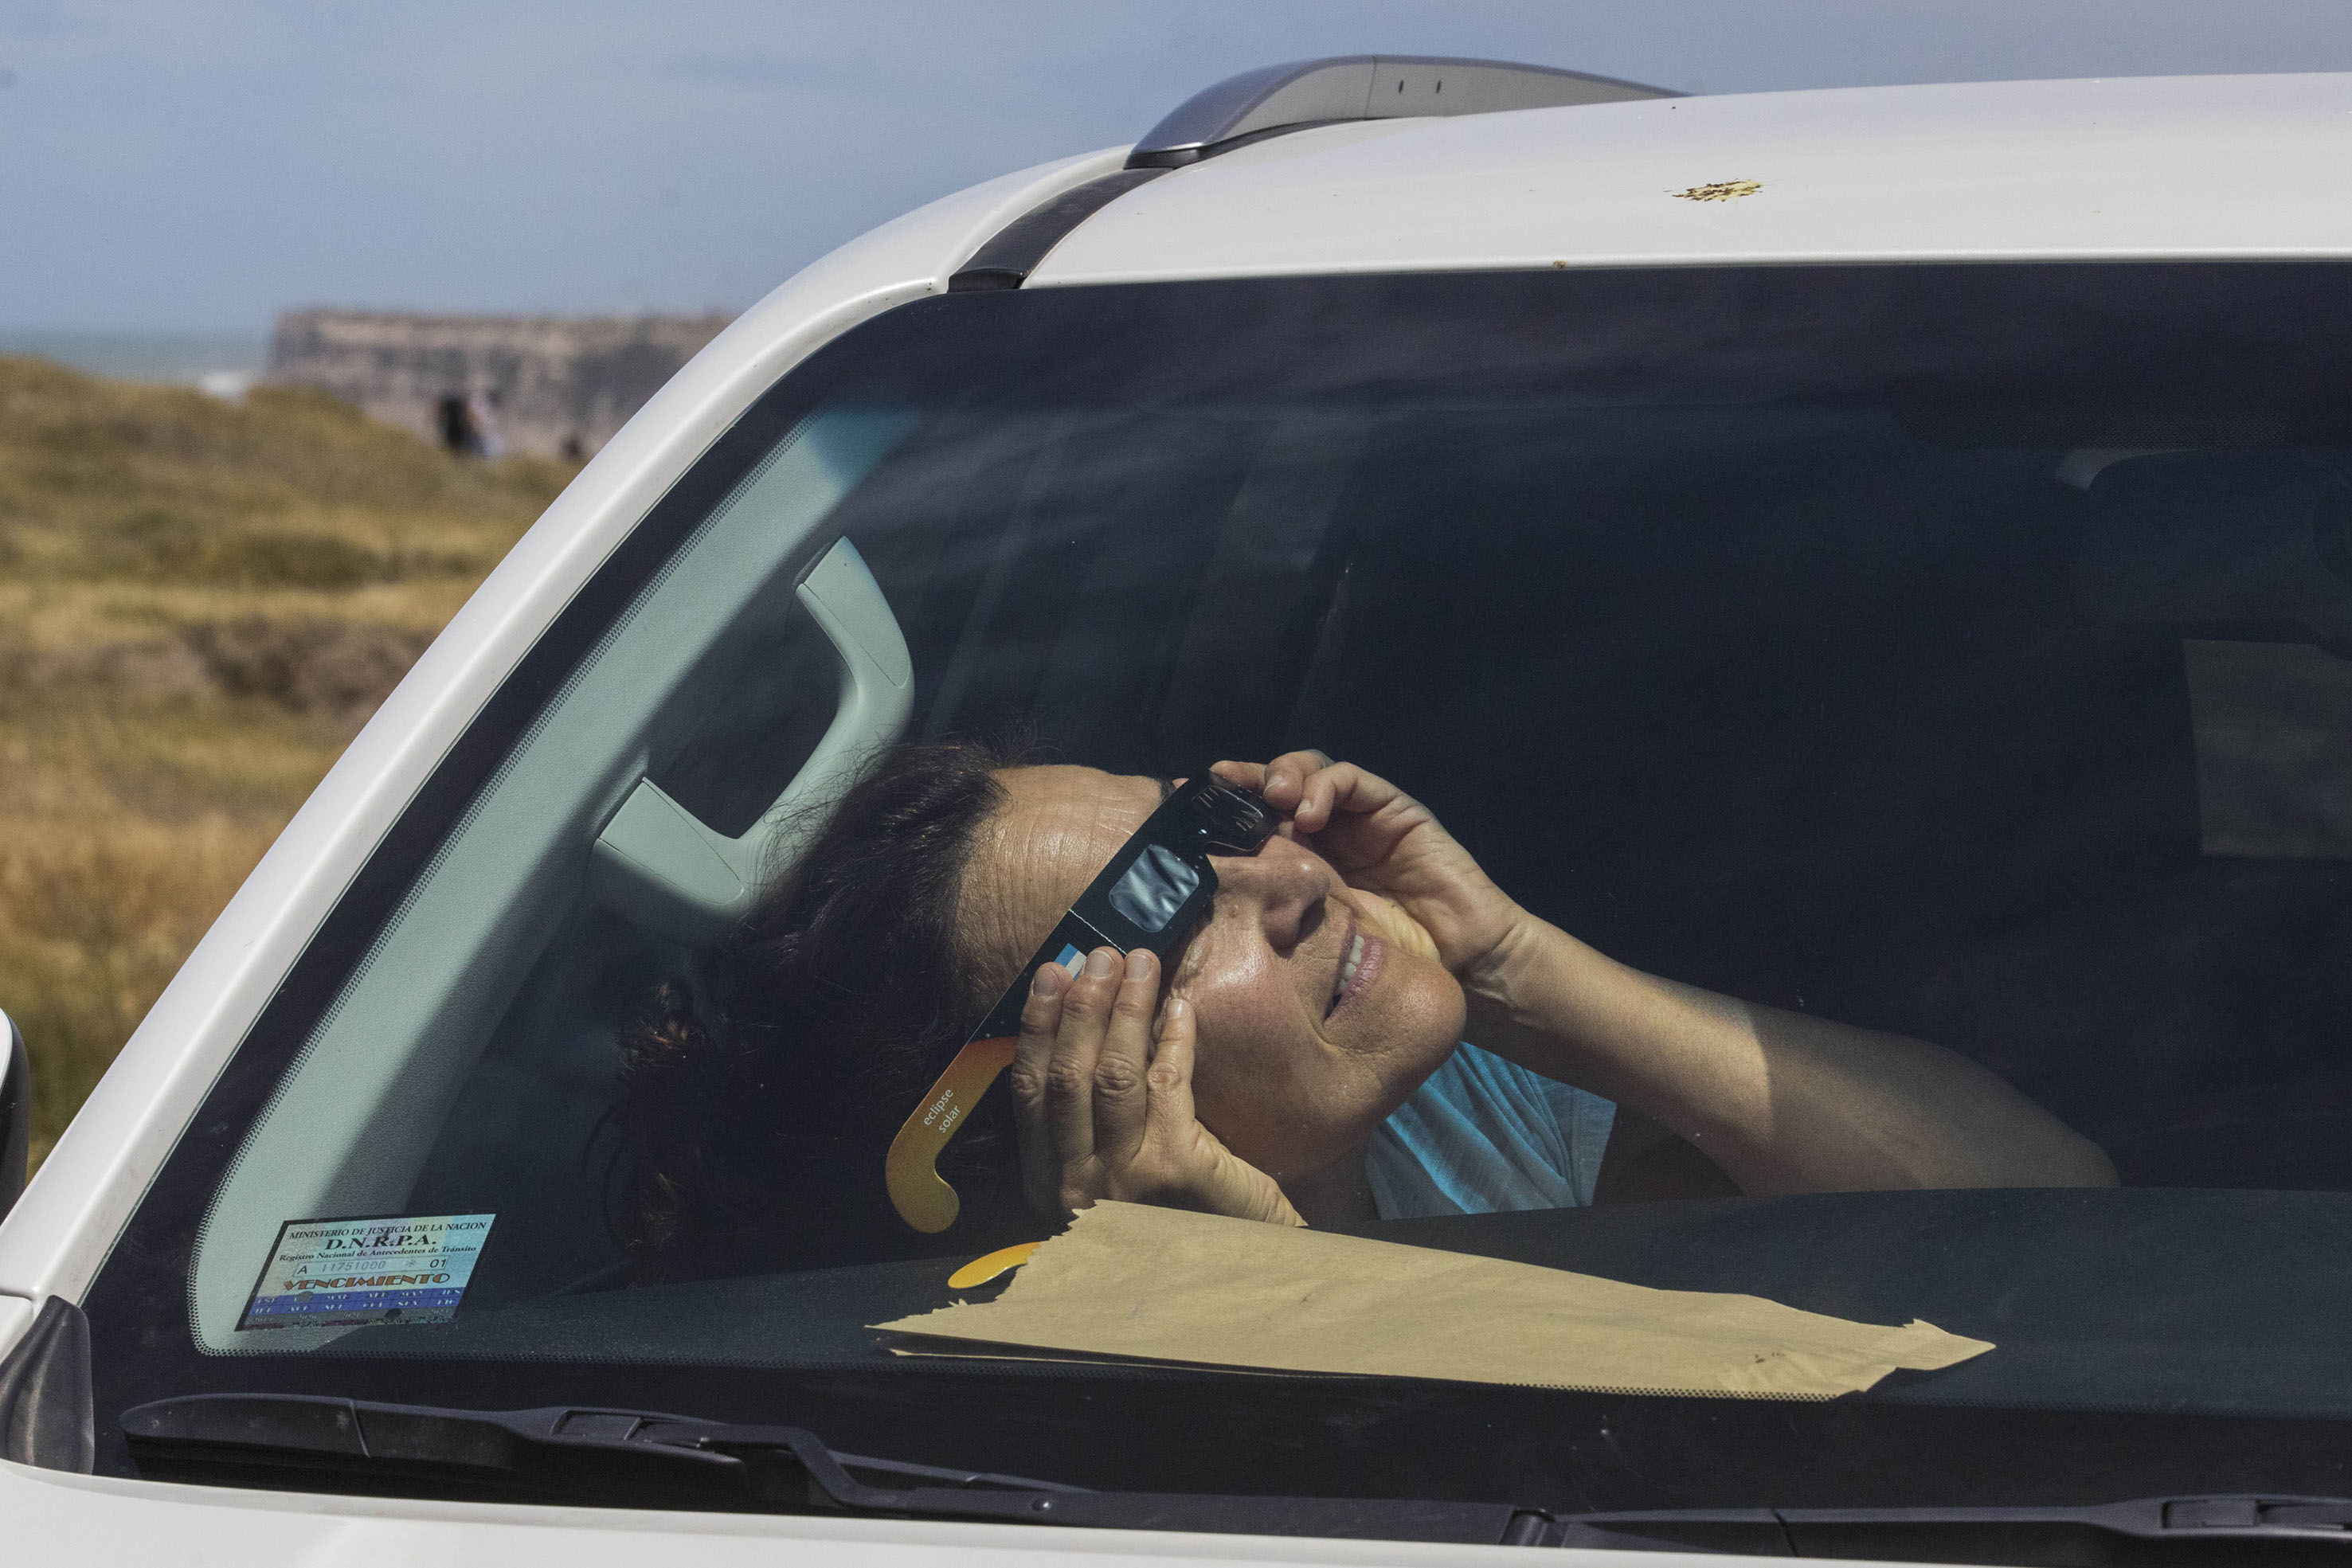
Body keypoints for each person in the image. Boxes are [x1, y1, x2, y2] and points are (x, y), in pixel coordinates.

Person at [617, 739, 2115, 1277]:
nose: (1288, 874)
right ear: (1012, 1114)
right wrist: (1222, 1299)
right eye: (1162, 916)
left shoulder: (1475, 1110)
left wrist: (1518, 963)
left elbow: (2052, 1217)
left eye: (1207, 821)